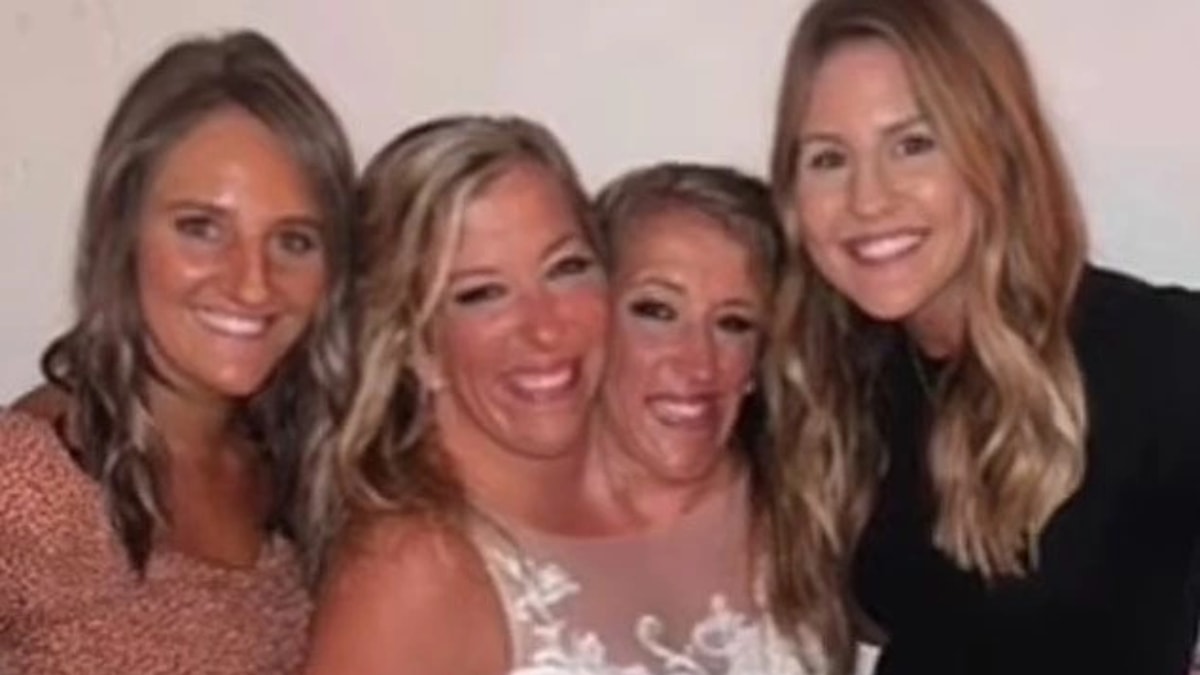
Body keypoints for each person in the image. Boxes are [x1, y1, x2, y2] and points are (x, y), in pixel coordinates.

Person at [766, 0, 1200, 673]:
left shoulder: (1159, 353)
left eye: (913, 144)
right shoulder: (837, 378)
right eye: (828, 158)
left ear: (998, 153)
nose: (868, 199)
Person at [0, 30, 356, 673]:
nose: (253, 284)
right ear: (121, 235)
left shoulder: (310, 469)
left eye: (294, 241)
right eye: (201, 228)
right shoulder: (26, 484)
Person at [471, 162, 817, 673]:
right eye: (656, 311)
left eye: (734, 323)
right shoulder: (472, 557)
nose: (698, 364)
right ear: (591, 320)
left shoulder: (818, 519)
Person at [302, 114, 609, 675]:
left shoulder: (646, 502)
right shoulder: (410, 573)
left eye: (566, 268)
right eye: (482, 294)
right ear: (415, 344)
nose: (545, 328)